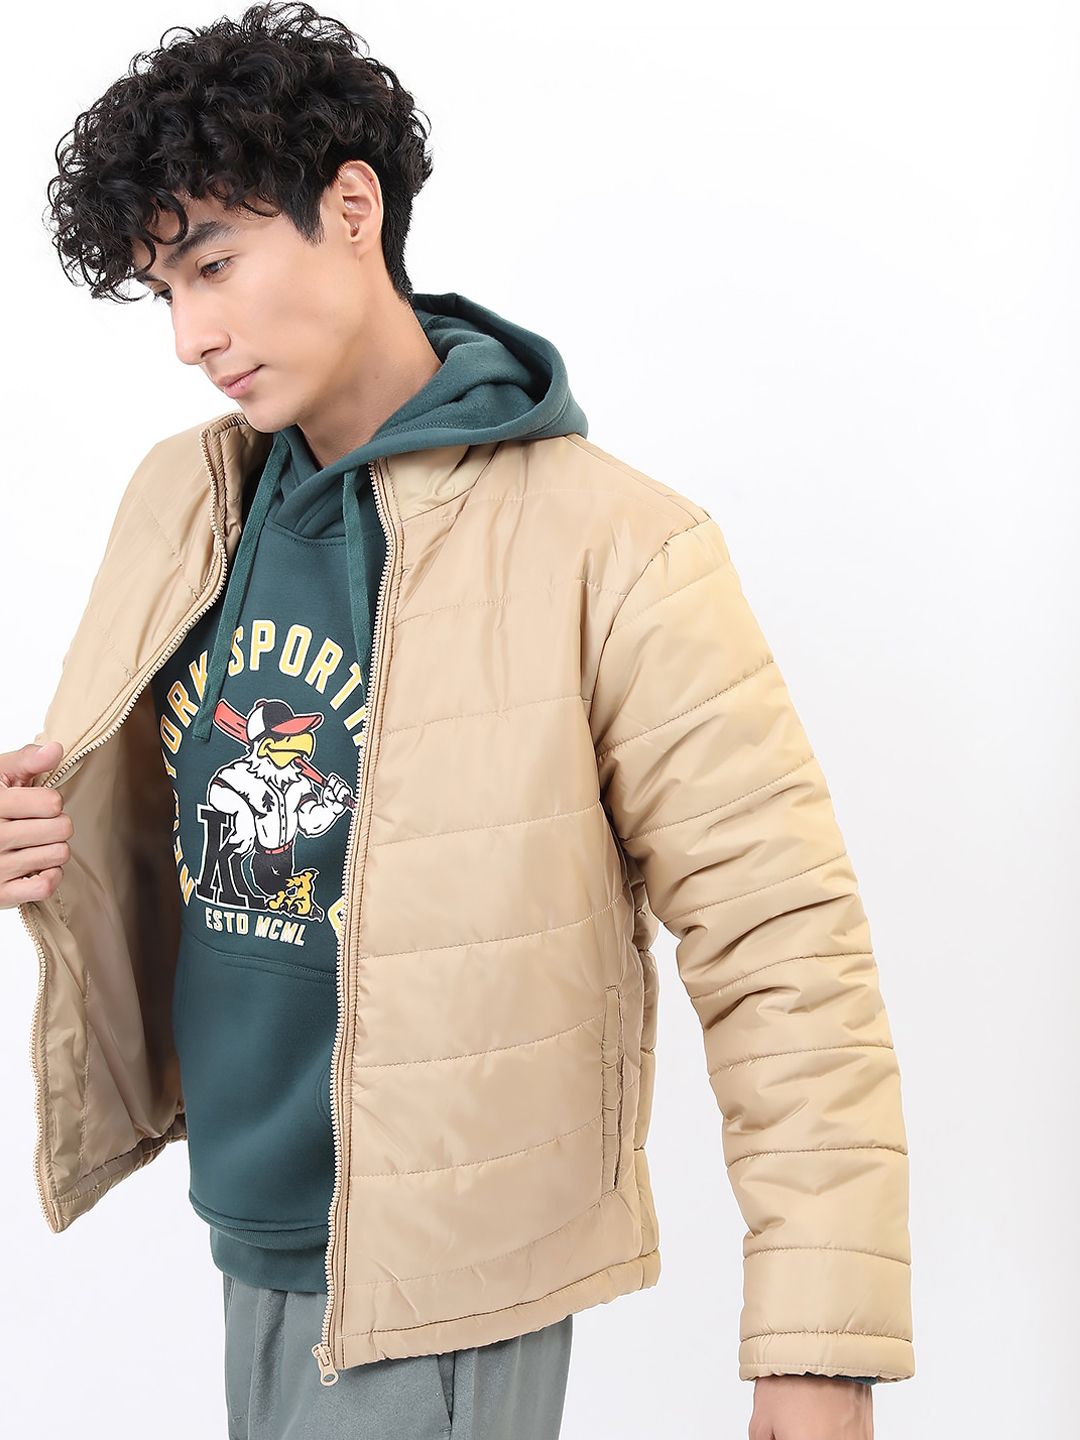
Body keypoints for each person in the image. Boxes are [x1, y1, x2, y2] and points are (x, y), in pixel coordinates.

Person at [3, 4, 913, 1436]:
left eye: (215, 266)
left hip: (441, 1292)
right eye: (162, 290)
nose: (190, 336)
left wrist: (818, 1348)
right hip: (242, 1236)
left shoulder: (615, 547)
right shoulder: (186, 500)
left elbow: (783, 942)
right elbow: (151, 822)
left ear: (352, 208)